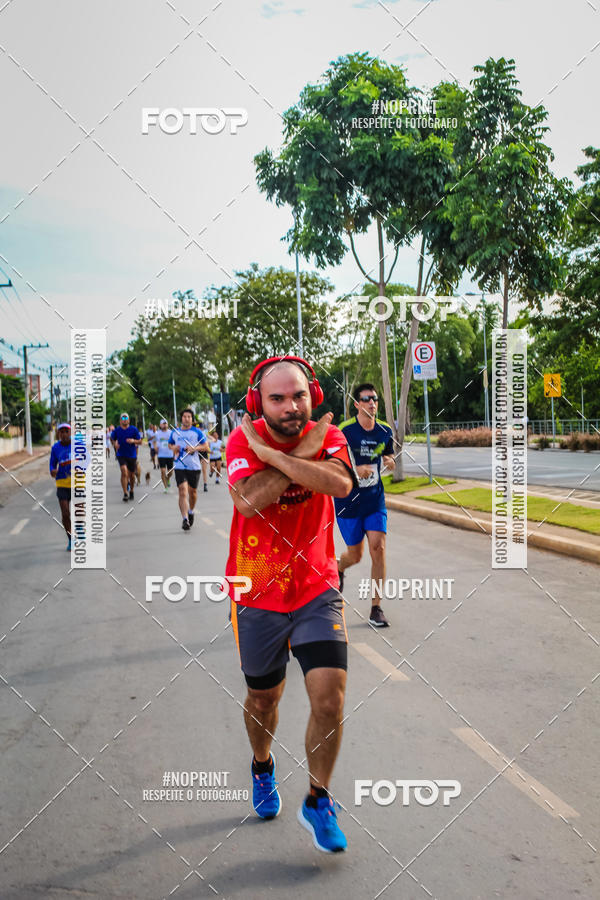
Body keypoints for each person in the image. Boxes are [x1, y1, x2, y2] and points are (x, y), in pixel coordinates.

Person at [226, 357, 356, 853]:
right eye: (277, 398)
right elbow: (247, 500)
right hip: (256, 586)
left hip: (317, 585)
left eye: (298, 396)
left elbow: (340, 485)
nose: (290, 406)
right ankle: (263, 765)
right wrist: (303, 455)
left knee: (330, 699)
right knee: (265, 700)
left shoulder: (332, 435)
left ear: (313, 395)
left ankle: (318, 800)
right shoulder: (243, 439)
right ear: (260, 401)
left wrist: (274, 456)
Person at [335, 384, 395, 627]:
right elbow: (334, 463)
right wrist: (354, 469)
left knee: (378, 547)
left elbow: (388, 455)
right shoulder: (345, 431)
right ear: (357, 404)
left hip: (374, 499)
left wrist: (389, 461)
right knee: (355, 555)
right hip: (348, 501)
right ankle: (339, 568)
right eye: (367, 399)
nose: (372, 403)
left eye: (375, 399)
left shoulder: (384, 431)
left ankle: (376, 608)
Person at [169, 409, 209, 529]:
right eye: (185, 416)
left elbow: (206, 446)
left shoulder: (197, 432)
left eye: (189, 417)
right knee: (182, 491)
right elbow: (170, 444)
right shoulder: (175, 432)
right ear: (181, 418)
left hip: (194, 466)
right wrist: (173, 447)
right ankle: (185, 519)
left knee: (193, 493)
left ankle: (191, 511)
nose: (186, 418)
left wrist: (194, 448)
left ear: (192, 419)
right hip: (180, 465)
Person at [49, 423, 72, 551]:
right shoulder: (55, 448)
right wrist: (53, 471)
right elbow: (52, 465)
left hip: (77, 483)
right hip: (62, 483)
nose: (64, 434)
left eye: (66, 431)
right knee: (65, 513)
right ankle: (70, 539)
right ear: (58, 434)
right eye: (61, 432)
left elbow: (87, 460)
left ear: (70, 433)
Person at [111, 413, 142, 501]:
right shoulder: (117, 430)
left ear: (128, 420)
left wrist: (133, 441)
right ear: (120, 420)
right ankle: (125, 493)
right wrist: (115, 443)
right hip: (121, 454)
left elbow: (140, 441)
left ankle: (131, 490)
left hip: (132, 455)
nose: (124, 419)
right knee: (124, 472)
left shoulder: (134, 429)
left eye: (126, 418)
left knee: (132, 475)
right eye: (123, 418)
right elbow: (112, 438)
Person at [153, 419, 174, 492]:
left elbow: (174, 442)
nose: (164, 425)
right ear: (160, 425)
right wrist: (155, 447)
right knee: (162, 471)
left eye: (166, 424)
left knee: (170, 472)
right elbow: (154, 441)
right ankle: (165, 487)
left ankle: (167, 479)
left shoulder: (171, 433)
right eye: (163, 424)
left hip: (170, 454)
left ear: (167, 425)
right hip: (161, 455)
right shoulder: (157, 433)